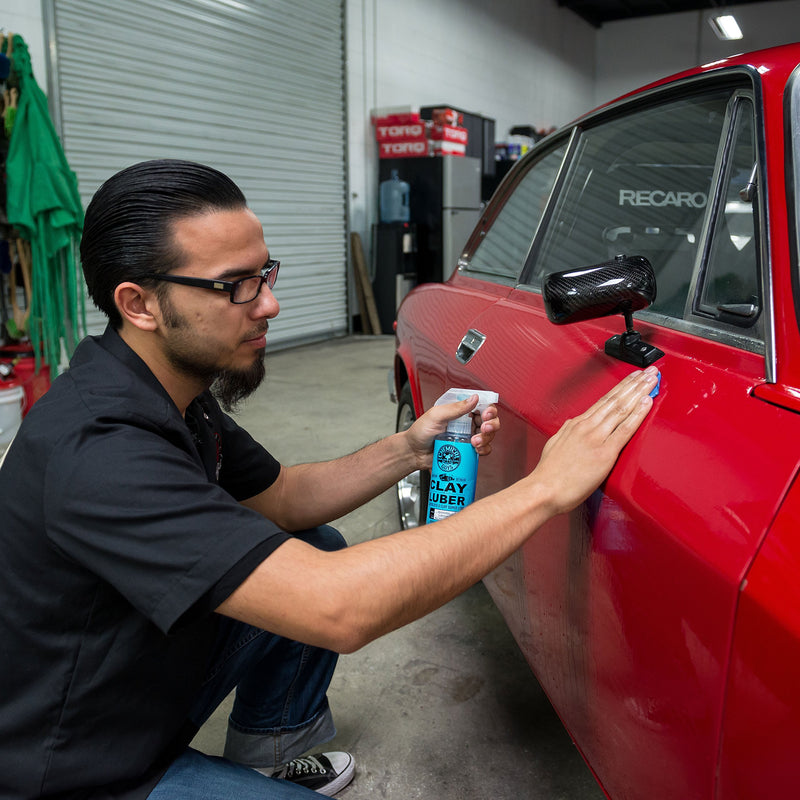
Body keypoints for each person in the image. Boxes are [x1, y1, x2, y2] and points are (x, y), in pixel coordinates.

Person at [0, 159, 659, 800]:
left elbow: (285, 498)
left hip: (134, 686)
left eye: (265, 274)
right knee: (318, 579)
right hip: (76, 768)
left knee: (311, 539)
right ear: (139, 304)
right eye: (237, 286)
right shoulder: (99, 450)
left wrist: (409, 447)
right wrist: (546, 488)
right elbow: (339, 608)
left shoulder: (169, 391)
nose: (271, 305)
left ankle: (268, 756)